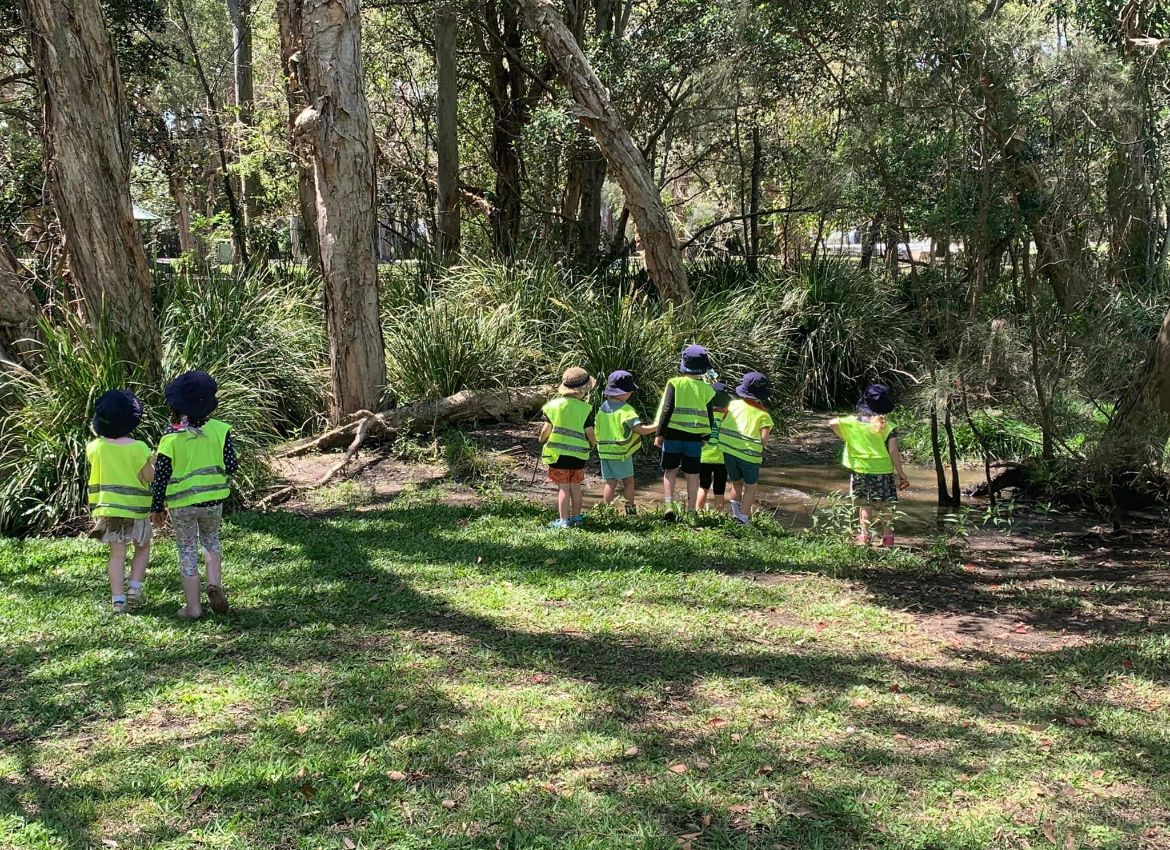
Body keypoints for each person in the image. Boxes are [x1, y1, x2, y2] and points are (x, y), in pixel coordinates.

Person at [150, 371, 238, 619]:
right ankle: (214, 584)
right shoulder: (221, 431)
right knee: (211, 541)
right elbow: (231, 464)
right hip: (213, 500)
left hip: (182, 504)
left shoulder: (170, 438)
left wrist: (156, 507)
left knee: (187, 549)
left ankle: (193, 608)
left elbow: (161, 477)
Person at [86, 390, 155, 614]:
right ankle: (135, 587)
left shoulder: (95, 448)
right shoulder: (139, 448)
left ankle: (118, 600)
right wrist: (151, 462)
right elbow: (148, 477)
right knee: (142, 547)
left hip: (109, 509)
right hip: (136, 510)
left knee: (117, 554)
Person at [829, 384, 910, 546]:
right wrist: (901, 473)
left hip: (860, 469)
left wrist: (846, 437)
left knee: (865, 504)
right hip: (883, 470)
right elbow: (893, 451)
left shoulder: (852, 422)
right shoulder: (889, 427)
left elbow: (832, 422)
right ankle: (888, 537)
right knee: (886, 505)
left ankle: (864, 536)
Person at [654, 345, 718, 521]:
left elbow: (667, 409)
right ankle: (691, 511)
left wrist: (659, 433)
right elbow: (709, 415)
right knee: (693, 475)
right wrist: (706, 436)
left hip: (673, 435)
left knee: (670, 471)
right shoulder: (707, 389)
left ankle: (668, 505)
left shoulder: (675, 383)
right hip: (694, 439)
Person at [538, 367, 597, 529]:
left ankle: (563, 520)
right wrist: (593, 443)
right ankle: (577, 517)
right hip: (578, 457)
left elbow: (545, 430)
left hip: (557, 456)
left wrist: (542, 440)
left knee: (563, 488)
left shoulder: (552, 406)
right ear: (584, 390)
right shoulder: (585, 409)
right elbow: (590, 432)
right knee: (576, 487)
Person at [595, 370, 657, 515]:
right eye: (630, 391)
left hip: (604, 452)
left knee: (610, 482)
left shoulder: (603, 407)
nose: (631, 394)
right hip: (620, 453)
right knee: (628, 481)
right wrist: (657, 426)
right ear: (623, 392)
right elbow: (640, 430)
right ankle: (630, 511)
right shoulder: (626, 410)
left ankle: (607, 512)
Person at [720, 372, 774, 523]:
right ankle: (743, 519)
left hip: (728, 451)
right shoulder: (764, 415)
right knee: (750, 486)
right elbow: (763, 440)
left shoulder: (732, 404)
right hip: (749, 455)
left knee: (736, 483)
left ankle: (735, 515)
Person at [696, 376, 732, 513]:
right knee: (719, 489)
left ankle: (697, 512)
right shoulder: (729, 418)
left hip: (704, 457)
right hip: (722, 459)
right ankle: (719, 514)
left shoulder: (704, 415)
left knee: (703, 486)